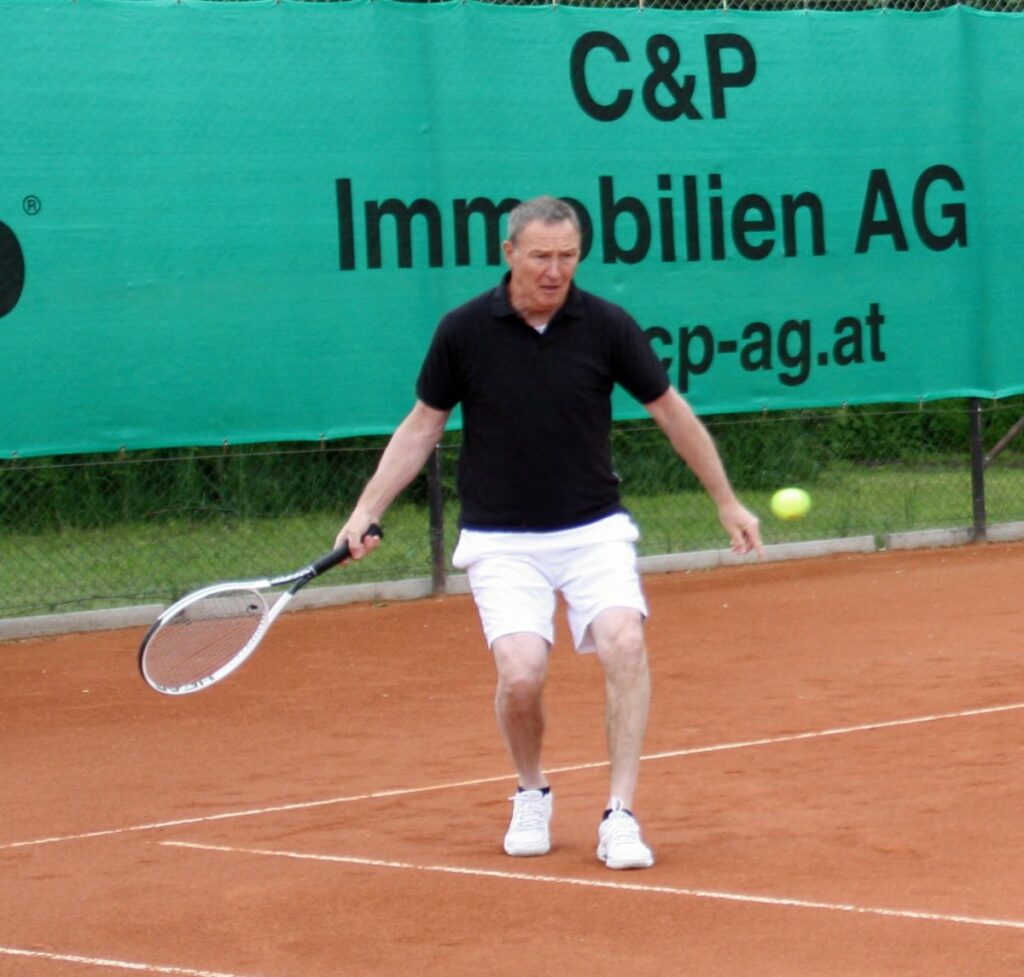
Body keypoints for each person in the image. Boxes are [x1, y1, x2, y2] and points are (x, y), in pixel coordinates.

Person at [335, 195, 763, 870]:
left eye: (567, 256)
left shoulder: (607, 325)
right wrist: (366, 510)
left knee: (625, 641)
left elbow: (670, 412)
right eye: (540, 256)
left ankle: (620, 813)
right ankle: (531, 789)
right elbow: (422, 426)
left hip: (593, 529)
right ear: (509, 253)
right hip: (501, 538)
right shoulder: (463, 330)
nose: (554, 270)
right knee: (521, 674)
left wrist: (727, 501)